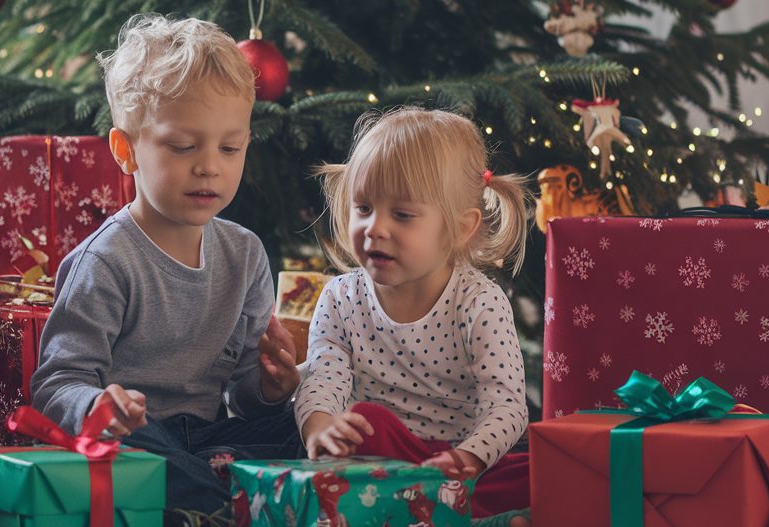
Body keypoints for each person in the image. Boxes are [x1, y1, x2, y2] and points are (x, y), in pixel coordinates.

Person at [30, 13, 302, 521]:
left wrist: (270, 388)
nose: (209, 166)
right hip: (136, 438)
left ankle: (213, 499)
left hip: (212, 439)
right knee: (140, 456)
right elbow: (56, 383)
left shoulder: (244, 255)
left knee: (309, 427)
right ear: (126, 150)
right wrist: (96, 407)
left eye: (230, 147)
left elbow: (241, 392)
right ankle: (230, 505)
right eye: (183, 147)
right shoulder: (107, 261)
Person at [294, 107, 532, 526]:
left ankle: (450, 511)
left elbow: (507, 405)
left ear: (461, 228)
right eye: (364, 208)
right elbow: (323, 377)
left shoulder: (480, 302)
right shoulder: (340, 297)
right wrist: (320, 428)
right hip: (381, 464)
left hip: (460, 466)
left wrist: (469, 458)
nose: (375, 228)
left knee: (546, 468)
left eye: (402, 215)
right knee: (365, 422)